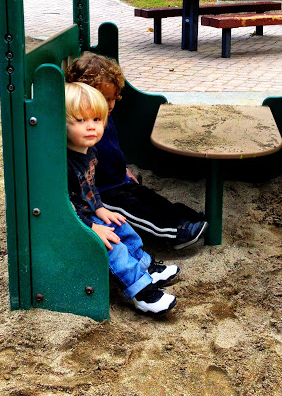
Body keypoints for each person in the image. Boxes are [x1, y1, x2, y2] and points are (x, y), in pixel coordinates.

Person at [65, 52, 207, 249]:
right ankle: (175, 232)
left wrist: (123, 168)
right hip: (103, 191)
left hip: (119, 179)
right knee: (135, 209)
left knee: (147, 197)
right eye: (105, 99)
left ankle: (184, 216)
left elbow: (112, 149)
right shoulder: (82, 130)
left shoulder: (102, 118)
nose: (110, 105)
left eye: (114, 98)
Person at [65, 81, 179, 315]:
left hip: (88, 215)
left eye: (96, 119)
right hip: (74, 223)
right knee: (113, 247)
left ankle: (146, 268)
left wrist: (99, 208)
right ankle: (142, 293)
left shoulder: (89, 150)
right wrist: (91, 228)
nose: (91, 127)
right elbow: (64, 204)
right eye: (81, 120)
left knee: (121, 225)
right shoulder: (63, 163)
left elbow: (90, 185)